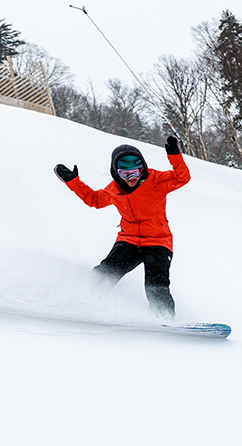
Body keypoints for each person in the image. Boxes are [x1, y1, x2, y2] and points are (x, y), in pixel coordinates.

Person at [54, 135, 190, 318]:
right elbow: (94, 200)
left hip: (158, 242)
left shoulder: (156, 180)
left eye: (136, 172)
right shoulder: (114, 189)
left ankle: (164, 318)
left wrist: (175, 156)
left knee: (156, 284)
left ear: (143, 168)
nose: (132, 178)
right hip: (129, 241)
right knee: (105, 272)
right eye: (125, 174)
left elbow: (182, 178)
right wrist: (73, 182)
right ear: (116, 173)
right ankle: (82, 303)